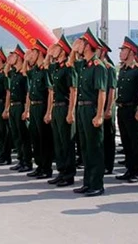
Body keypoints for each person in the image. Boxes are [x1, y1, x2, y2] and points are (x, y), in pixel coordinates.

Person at [69, 28, 107, 197]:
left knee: (95, 148)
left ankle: (97, 184)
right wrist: (73, 50)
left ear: (88, 46)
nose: (80, 46)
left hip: (92, 108)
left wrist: (99, 114)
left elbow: (102, 92)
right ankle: (87, 183)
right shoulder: (84, 65)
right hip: (82, 108)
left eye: (82, 43)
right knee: (85, 147)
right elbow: (70, 63)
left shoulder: (98, 66)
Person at [115, 37, 138, 183]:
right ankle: (129, 169)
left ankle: (137, 171)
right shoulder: (123, 69)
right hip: (122, 108)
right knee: (126, 141)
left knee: (136, 141)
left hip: (133, 108)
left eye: (124, 50)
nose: (121, 53)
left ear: (131, 52)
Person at [46, 35, 78, 184]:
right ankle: (61, 171)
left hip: (65, 107)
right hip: (56, 107)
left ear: (64, 51)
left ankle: (69, 174)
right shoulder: (56, 68)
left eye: (58, 48)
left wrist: (71, 111)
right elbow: (46, 64)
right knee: (58, 142)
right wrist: (49, 53)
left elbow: (73, 91)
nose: (54, 50)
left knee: (66, 142)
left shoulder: (68, 68)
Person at [22, 40, 55, 180]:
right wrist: (25, 59)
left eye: (34, 52)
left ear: (40, 53)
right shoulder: (35, 70)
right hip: (34, 106)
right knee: (35, 138)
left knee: (44, 139)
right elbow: (24, 72)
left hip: (42, 106)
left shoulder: (46, 71)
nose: (31, 55)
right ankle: (39, 166)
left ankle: (46, 168)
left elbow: (51, 92)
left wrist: (48, 112)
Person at [4, 45, 32, 172]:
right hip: (14, 106)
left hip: (21, 105)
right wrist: (9, 62)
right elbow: (5, 71)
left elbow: (28, 94)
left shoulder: (24, 74)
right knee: (16, 135)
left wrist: (26, 110)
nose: (10, 58)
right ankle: (20, 160)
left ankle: (27, 162)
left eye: (14, 55)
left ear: (20, 57)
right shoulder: (14, 73)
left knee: (23, 136)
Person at [98, 39, 117, 175]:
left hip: (107, 105)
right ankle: (102, 162)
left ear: (103, 52)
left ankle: (108, 165)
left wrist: (109, 108)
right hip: (98, 105)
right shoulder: (96, 66)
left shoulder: (109, 68)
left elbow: (111, 90)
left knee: (108, 136)